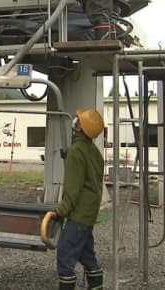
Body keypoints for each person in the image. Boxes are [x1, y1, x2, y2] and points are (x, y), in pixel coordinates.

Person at [53, 109, 105, 290]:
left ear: (81, 128)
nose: (75, 121)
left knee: (65, 254)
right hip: (89, 212)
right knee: (86, 254)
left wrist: (60, 211)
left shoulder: (76, 151)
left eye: (79, 121)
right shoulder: (94, 151)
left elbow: (73, 189)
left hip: (79, 215)